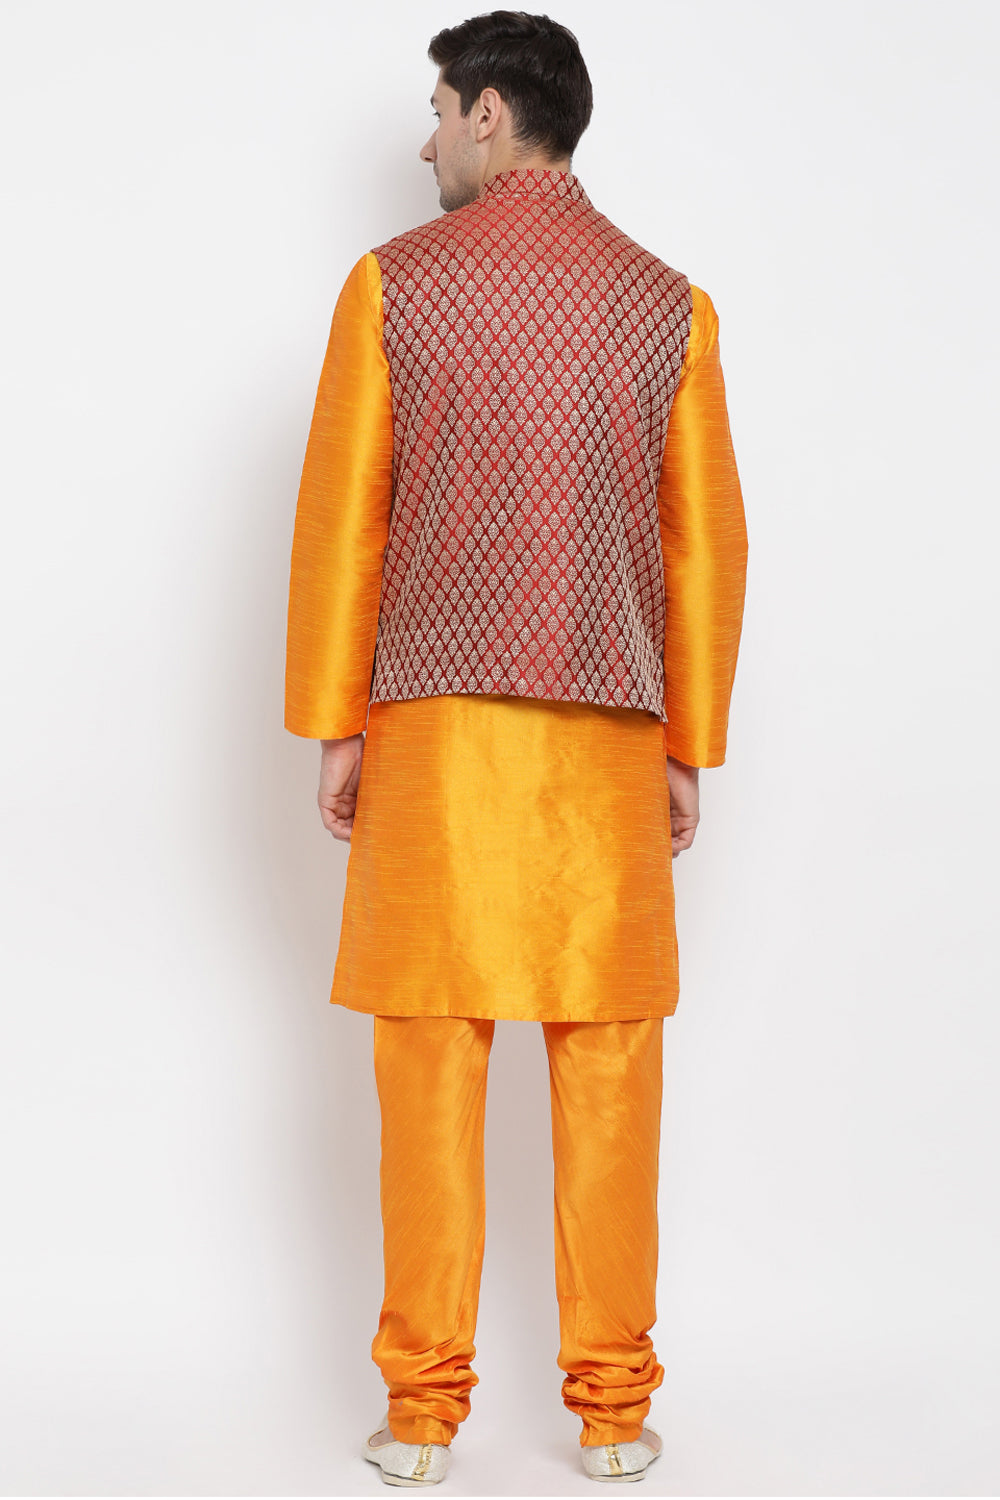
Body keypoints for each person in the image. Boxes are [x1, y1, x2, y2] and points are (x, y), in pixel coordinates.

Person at [284, 10, 748, 1487]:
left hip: (432, 737)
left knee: (429, 1063)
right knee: (608, 1067)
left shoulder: (392, 287)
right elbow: (704, 547)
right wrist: (688, 741)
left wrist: (334, 726)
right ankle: (612, 1412)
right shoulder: (669, 306)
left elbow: (344, 519)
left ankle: (421, 1417)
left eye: (437, 110)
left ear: (491, 113)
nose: (424, 138)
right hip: (607, 743)